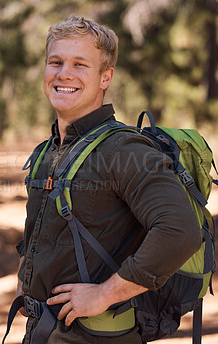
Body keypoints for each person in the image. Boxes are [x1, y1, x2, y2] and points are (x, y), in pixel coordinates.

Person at [13, 15, 201, 344]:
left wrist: (104, 294)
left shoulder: (124, 148)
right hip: (44, 331)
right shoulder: (49, 150)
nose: (63, 74)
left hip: (97, 336)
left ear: (105, 77)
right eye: (55, 62)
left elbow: (180, 230)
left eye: (79, 65)